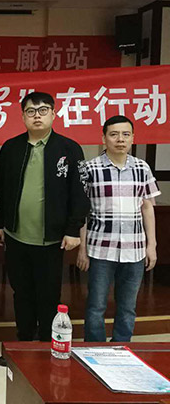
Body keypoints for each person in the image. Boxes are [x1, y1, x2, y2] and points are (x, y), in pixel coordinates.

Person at [0, 91, 89, 366]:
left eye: (43, 110)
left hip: (52, 239)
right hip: (16, 236)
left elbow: (80, 193)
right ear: (23, 116)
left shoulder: (69, 149)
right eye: (31, 111)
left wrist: (73, 229)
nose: (37, 116)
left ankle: (47, 346)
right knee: (21, 293)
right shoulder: (11, 147)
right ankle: (23, 345)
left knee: (48, 295)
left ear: (54, 114)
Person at [77, 115, 160, 342]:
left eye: (125, 134)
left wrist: (151, 245)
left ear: (133, 138)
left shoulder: (142, 167)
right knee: (96, 305)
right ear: (104, 138)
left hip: (134, 249)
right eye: (114, 134)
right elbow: (82, 212)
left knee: (127, 306)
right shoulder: (90, 169)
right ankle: (95, 348)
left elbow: (147, 207)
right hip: (100, 248)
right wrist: (82, 248)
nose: (120, 139)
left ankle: (122, 347)